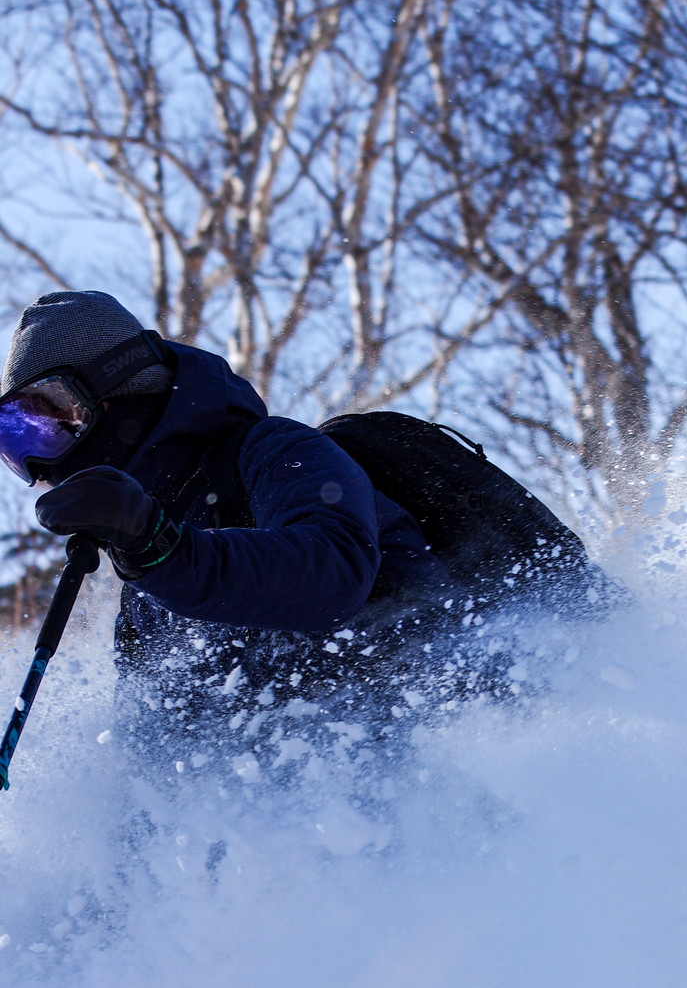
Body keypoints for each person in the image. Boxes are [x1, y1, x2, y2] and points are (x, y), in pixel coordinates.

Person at [0, 290, 585, 756]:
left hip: (466, 764)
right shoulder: (146, 594)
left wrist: (161, 550)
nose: (40, 462)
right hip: (314, 870)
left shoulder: (273, 454)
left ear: (119, 391)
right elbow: (159, 773)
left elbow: (333, 572)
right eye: (13, 441)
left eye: (46, 422)